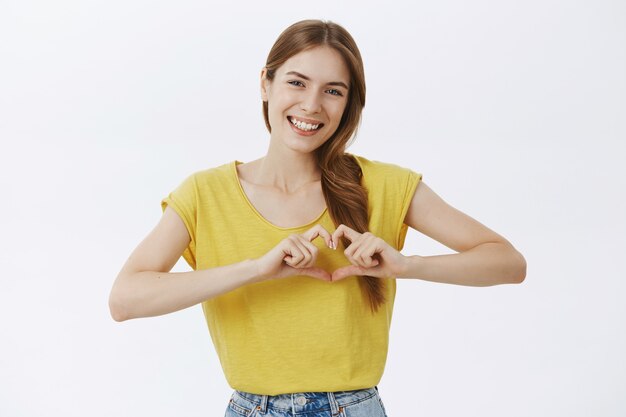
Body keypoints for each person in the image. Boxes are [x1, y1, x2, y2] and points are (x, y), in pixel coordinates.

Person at [109, 19, 526, 417]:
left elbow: (507, 262)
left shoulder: (384, 185)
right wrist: (255, 270)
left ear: (349, 104)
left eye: (333, 91)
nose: (311, 104)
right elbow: (125, 299)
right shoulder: (205, 194)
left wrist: (407, 266)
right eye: (296, 82)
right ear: (265, 84)